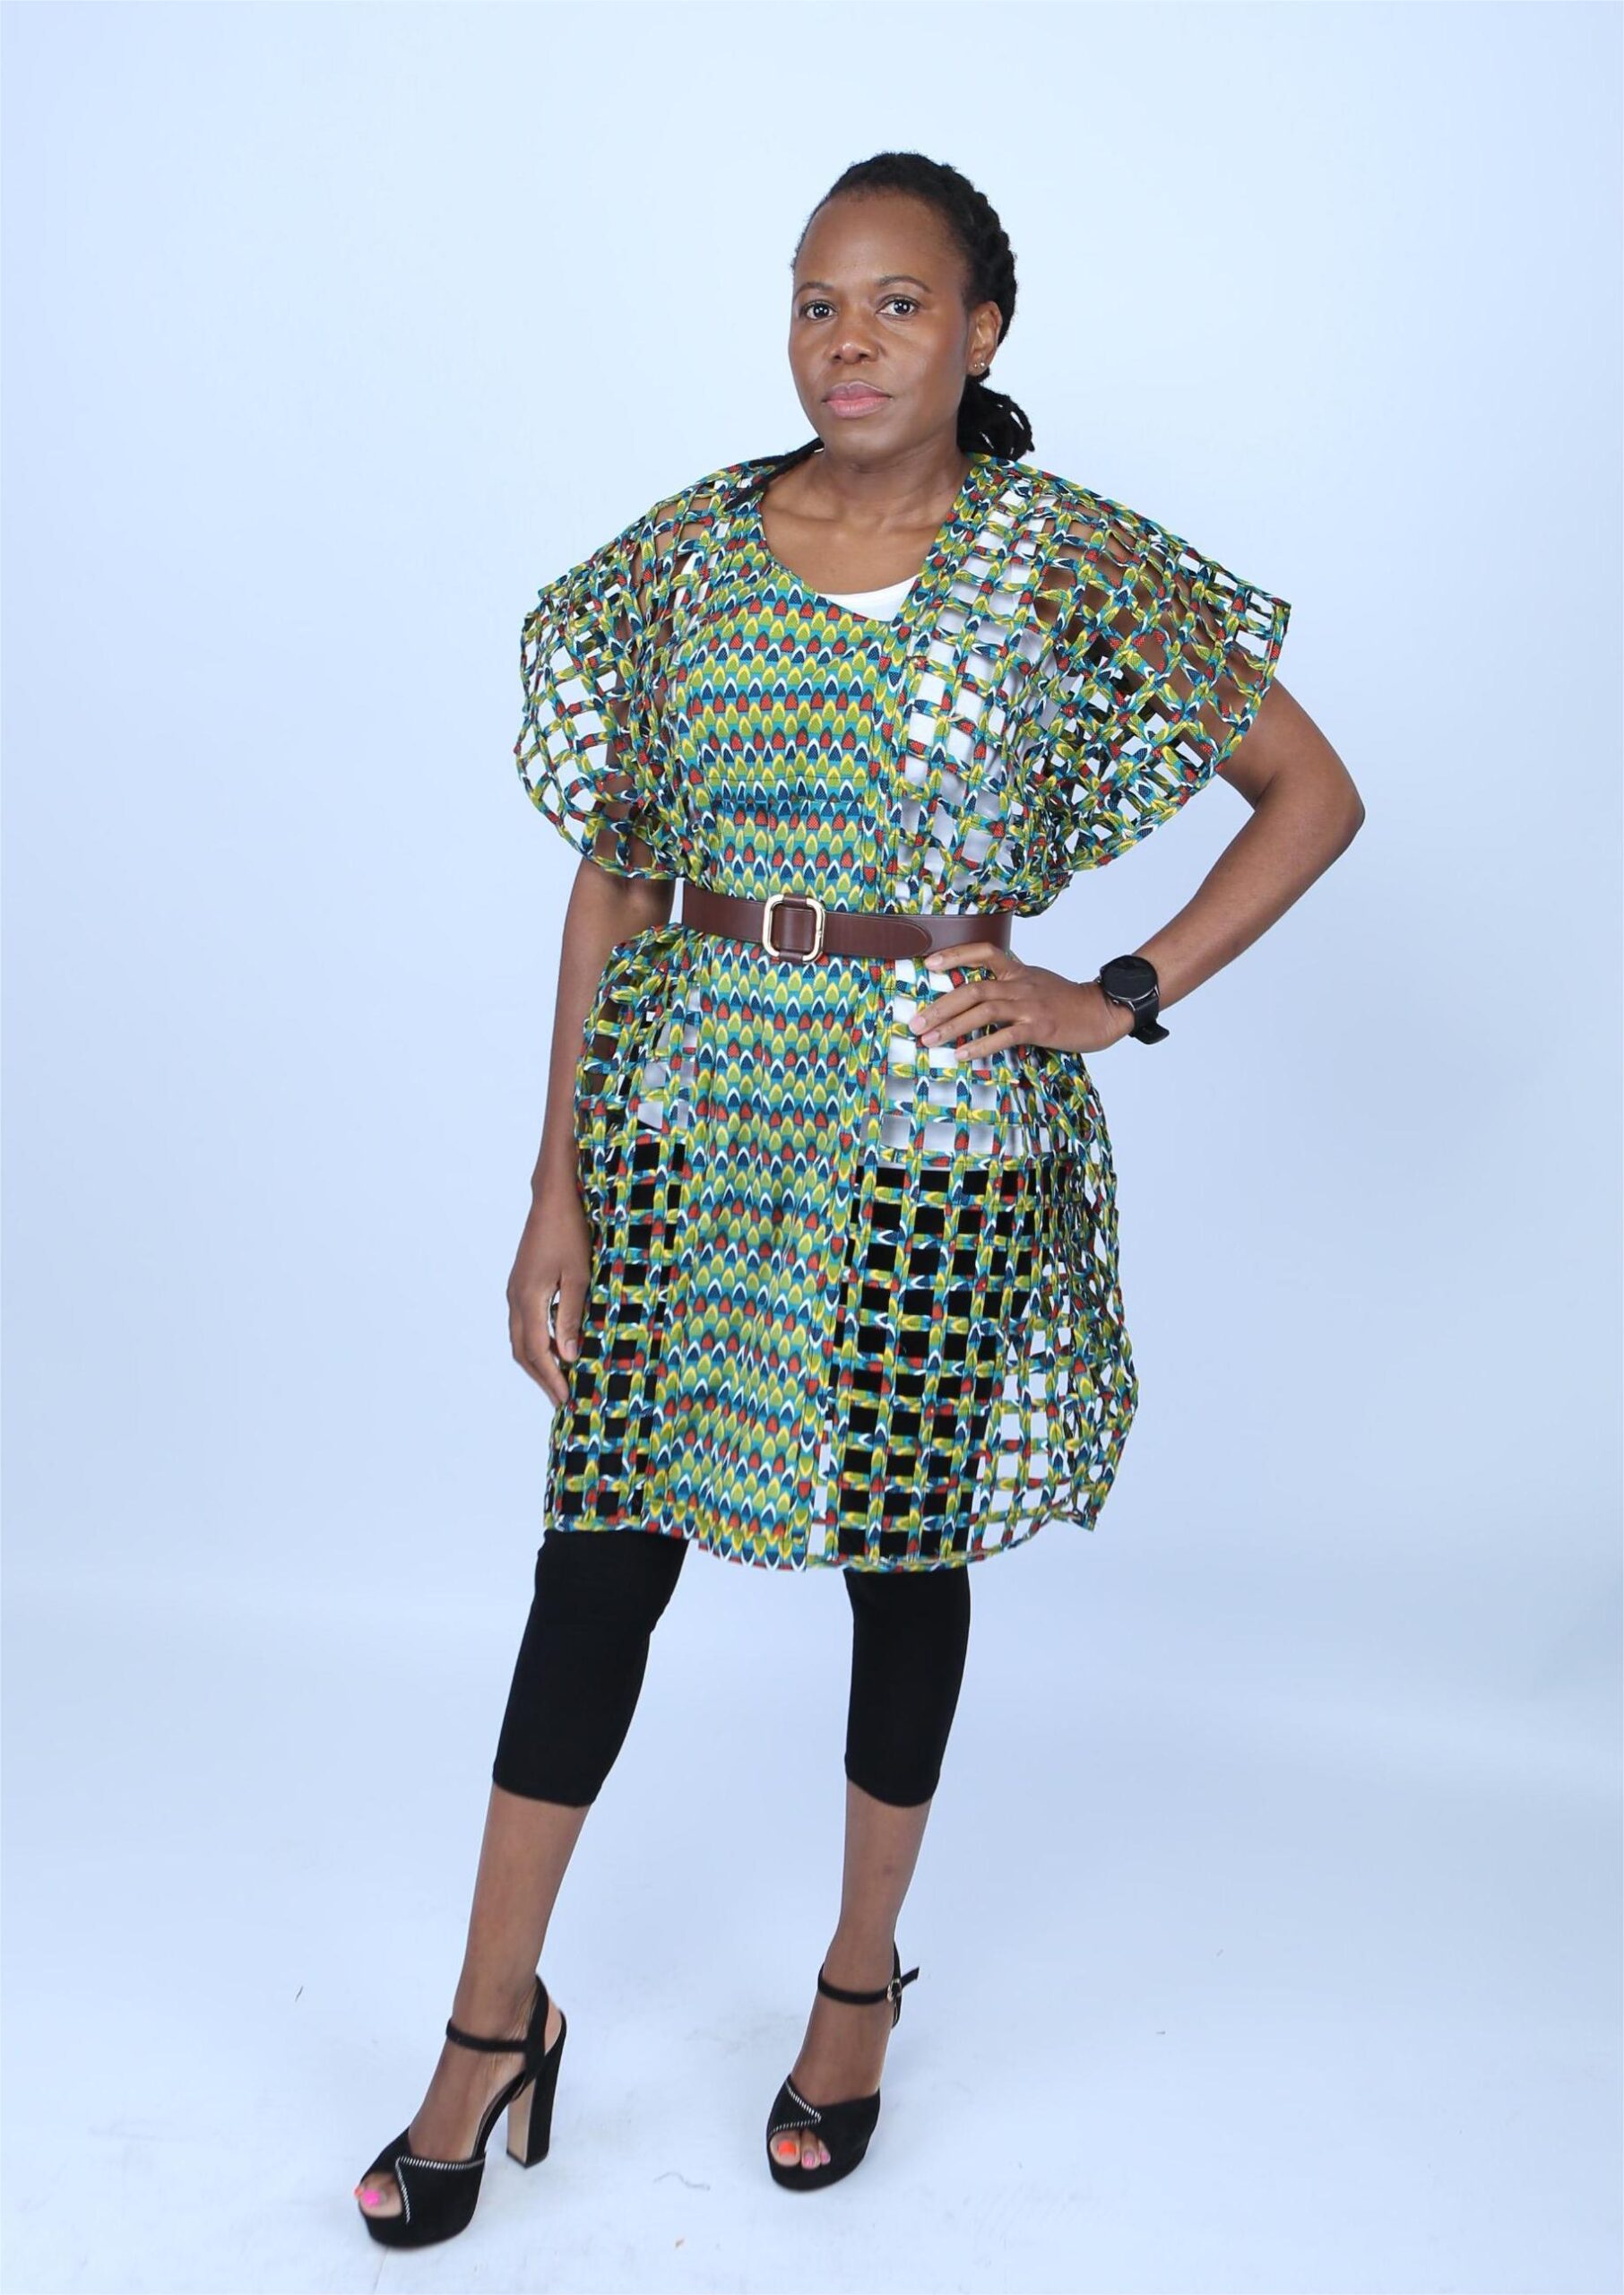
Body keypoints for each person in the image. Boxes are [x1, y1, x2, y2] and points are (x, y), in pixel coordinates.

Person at [353, 149, 1364, 2247]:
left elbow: (1311, 789)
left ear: (981, 330)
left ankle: (853, 1984)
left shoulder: (1064, 562)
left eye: (899, 303)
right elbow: (616, 878)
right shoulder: (682, 564)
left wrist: (1115, 994)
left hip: (935, 1122)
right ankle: (486, 2020)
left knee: (903, 1552)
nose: (850, 341)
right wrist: (553, 1187)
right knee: (597, 1551)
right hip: (693, 1099)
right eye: (818, 301)